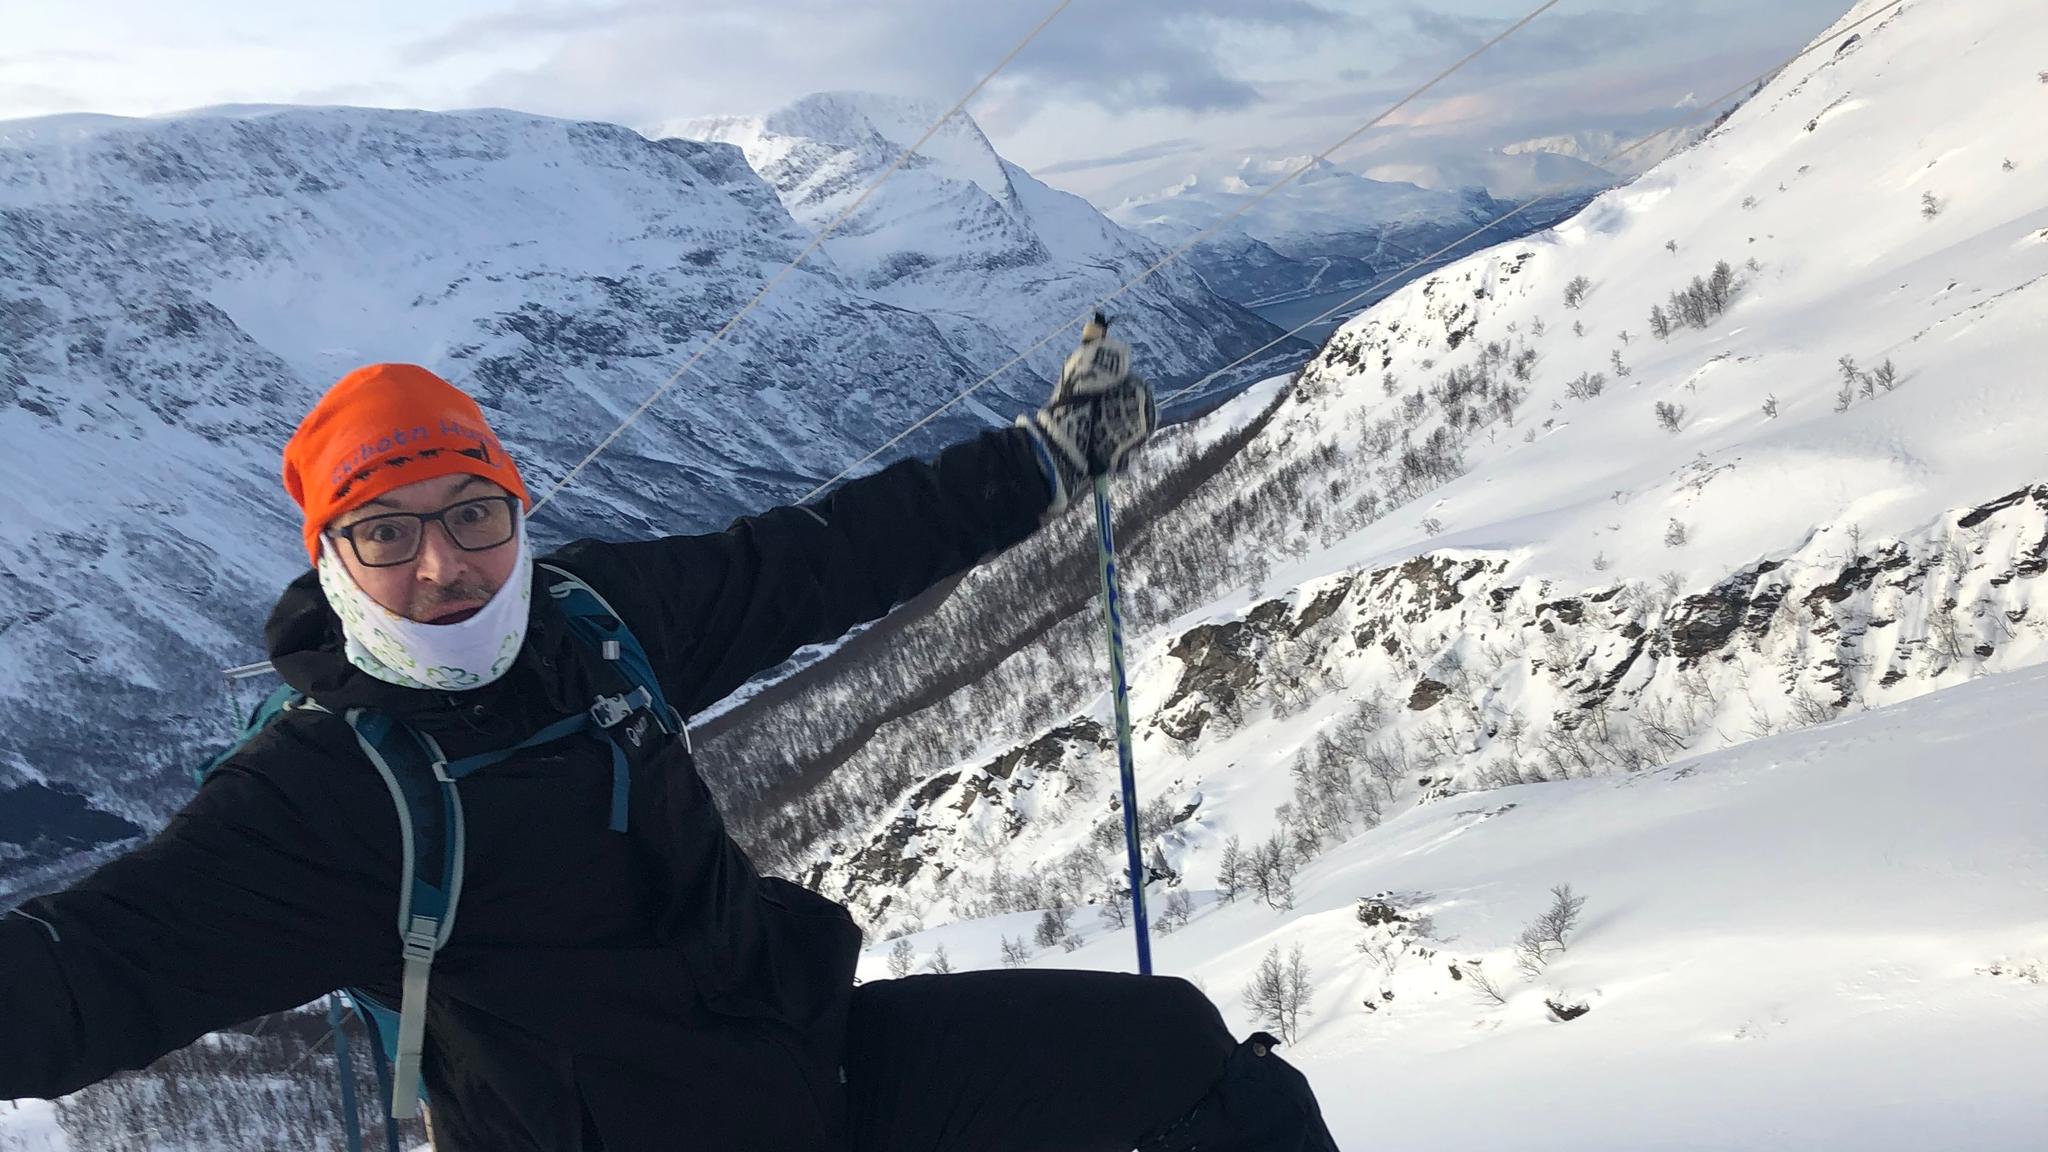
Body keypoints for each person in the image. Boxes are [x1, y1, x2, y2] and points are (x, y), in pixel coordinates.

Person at [0, 334, 1340, 1151]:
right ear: (333, 558)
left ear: (515, 510)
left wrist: (1049, 459)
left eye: (473, 513)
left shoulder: (599, 621)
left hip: (815, 1068)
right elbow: (94, 974)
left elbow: (816, 560)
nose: (443, 562)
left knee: (1178, 1049)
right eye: (385, 531)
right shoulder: (325, 794)